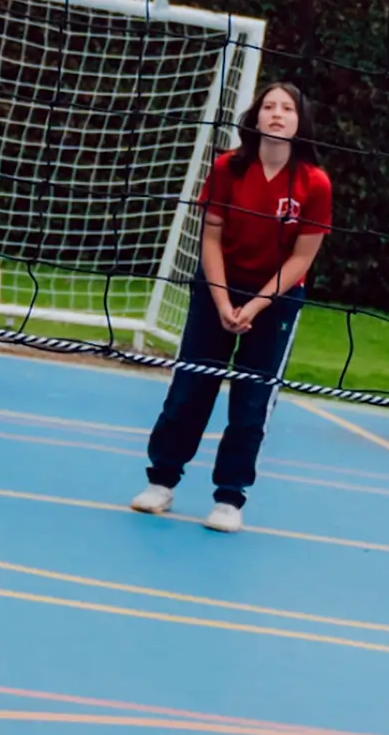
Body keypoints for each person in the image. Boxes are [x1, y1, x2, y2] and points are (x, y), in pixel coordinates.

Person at [129, 81, 331, 533]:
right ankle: (161, 480)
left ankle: (230, 497)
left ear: (301, 123)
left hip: (275, 301)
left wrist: (255, 307)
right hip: (218, 287)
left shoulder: (314, 183)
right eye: (269, 107)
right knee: (190, 387)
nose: (277, 114)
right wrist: (222, 300)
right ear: (255, 118)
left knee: (252, 402)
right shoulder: (228, 168)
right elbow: (212, 238)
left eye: (288, 108)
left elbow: (302, 258)